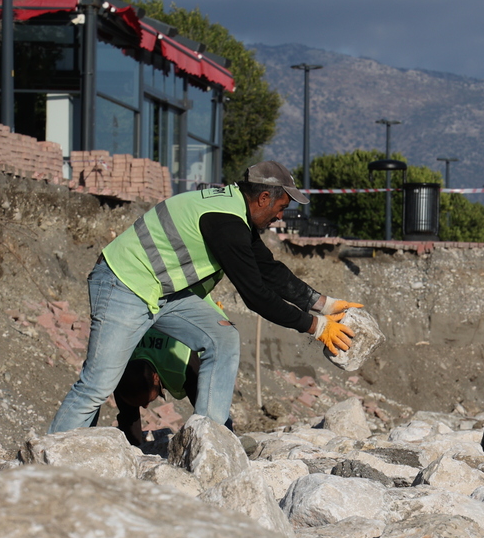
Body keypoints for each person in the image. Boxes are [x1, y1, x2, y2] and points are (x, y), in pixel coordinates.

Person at [50, 160, 361, 433]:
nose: (280, 216)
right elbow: (256, 295)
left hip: (163, 293)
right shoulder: (225, 221)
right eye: (281, 208)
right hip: (124, 284)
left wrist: (325, 304)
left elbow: (269, 270)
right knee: (97, 385)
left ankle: (208, 440)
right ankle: (47, 468)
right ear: (264, 198)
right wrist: (317, 328)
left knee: (221, 338)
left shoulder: (235, 213)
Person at [114, 327, 203, 446]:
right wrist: (134, 451)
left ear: (155, 377)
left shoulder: (184, 366)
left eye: (146, 400)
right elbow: (127, 416)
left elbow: (207, 412)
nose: (145, 406)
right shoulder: (120, 368)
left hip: (213, 327)